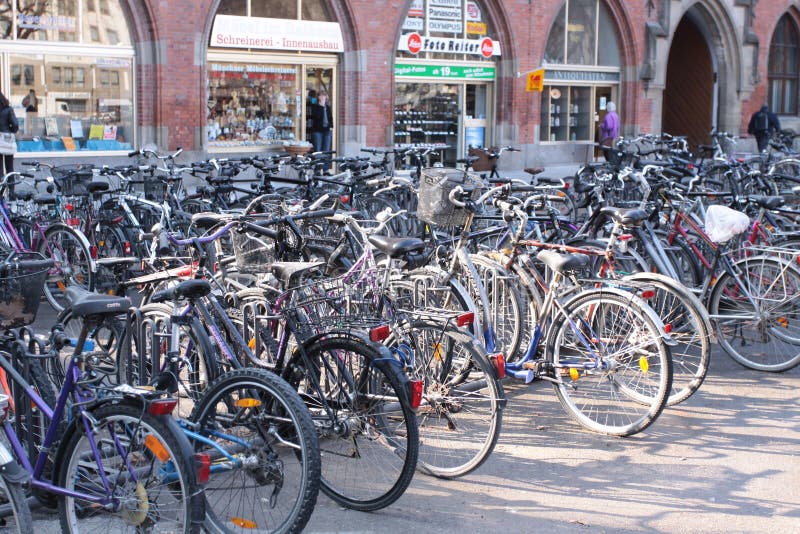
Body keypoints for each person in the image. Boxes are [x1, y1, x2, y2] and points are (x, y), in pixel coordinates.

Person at [309, 90, 333, 162]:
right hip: (317, 131)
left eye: (324, 95)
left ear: (326, 97)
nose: (322, 97)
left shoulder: (328, 107)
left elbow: (330, 118)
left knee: (326, 150)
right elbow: (317, 117)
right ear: (318, 97)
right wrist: (321, 107)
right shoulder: (315, 107)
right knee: (318, 150)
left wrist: (331, 127)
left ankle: (325, 170)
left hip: (327, 131)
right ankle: (318, 169)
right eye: (321, 95)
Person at [0, 92, 19, 176]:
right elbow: (15, 125)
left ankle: (1, 187)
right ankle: (11, 188)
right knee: (10, 167)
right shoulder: (8, 109)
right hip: (6, 139)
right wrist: (10, 131)